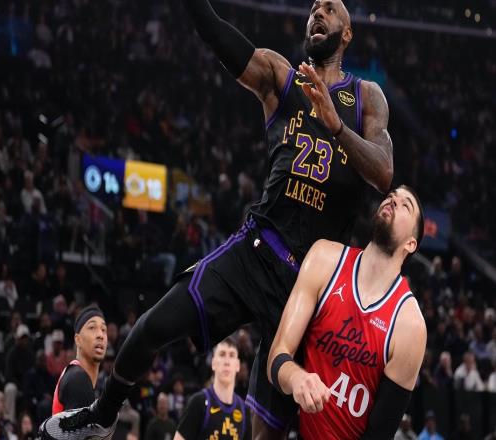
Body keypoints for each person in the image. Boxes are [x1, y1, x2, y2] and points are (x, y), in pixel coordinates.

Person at [39, 0, 394, 437]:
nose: (318, 12)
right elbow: (215, 31)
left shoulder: (367, 97)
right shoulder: (283, 77)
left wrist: (337, 126)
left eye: (330, 8)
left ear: (348, 33)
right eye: (313, 8)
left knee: (266, 430)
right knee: (152, 327)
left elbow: (383, 173)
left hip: (308, 284)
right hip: (257, 250)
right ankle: (102, 414)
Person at [268, 186, 427, 439]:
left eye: (405, 204)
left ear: (411, 243)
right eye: (391, 196)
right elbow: (277, 356)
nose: (393, 200)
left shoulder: (410, 324)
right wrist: (295, 377)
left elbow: (379, 434)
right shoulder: (324, 259)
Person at [174, 338, 250, 440]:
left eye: (232, 355)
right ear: (213, 363)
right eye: (222, 354)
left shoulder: (244, 410)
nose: (227, 362)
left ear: (237, 365)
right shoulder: (199, 403)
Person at [51, 306, 107, 414]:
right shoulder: (78, 378)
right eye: (92, 328)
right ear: (78, 340)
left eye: (103, 329)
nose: (100, 335)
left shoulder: (78, 374)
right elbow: (78, 426)